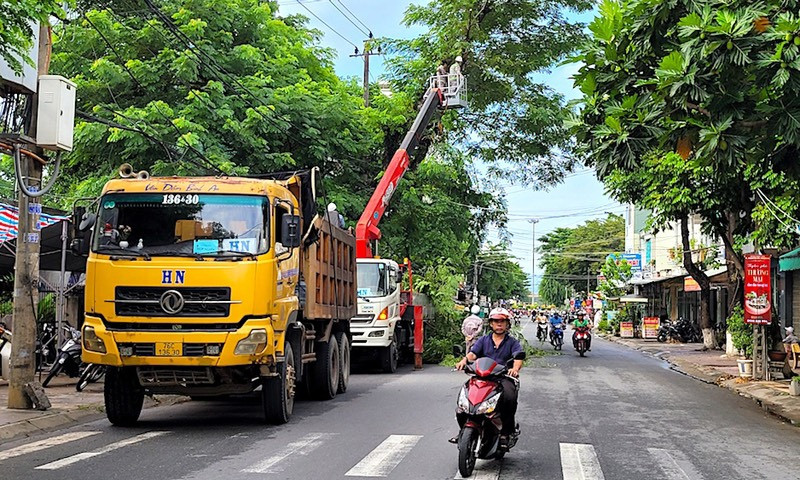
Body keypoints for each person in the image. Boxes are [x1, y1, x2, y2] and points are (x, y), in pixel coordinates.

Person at [454, 307, 524, 447]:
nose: (499, 324)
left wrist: (515, 369)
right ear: (491, 324)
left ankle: (506, 431)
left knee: (510, 397)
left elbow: (518, 357)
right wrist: (464, 361)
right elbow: (473, 354)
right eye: (496, 321)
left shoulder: (512, 342)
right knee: (464, 399)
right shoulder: (483, 340)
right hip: (482, 376)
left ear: (507, 324)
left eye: (502, 321)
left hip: (502, 378)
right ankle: (463, 430)